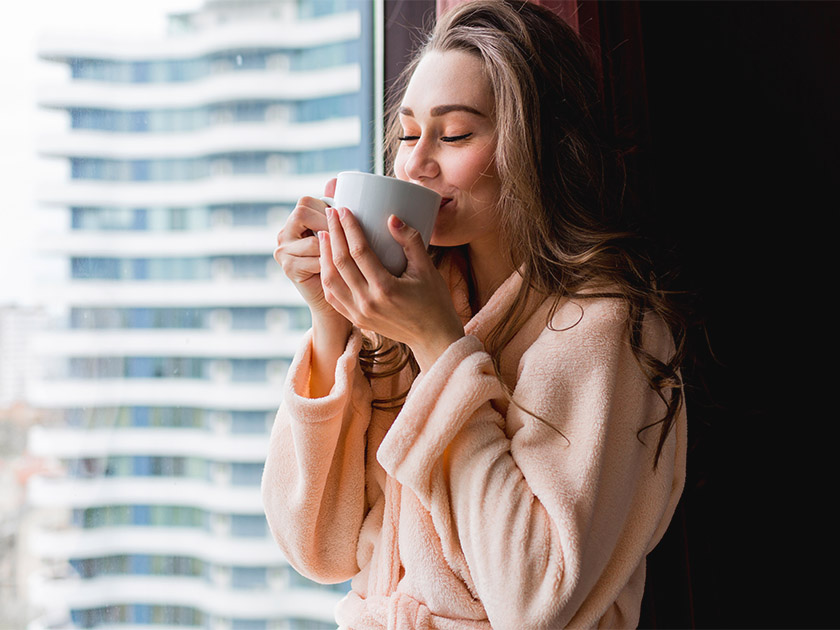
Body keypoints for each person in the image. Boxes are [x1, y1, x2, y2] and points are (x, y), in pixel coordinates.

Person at [262, 1, 688, 628]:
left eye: (454, 134)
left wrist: (440, 347)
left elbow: (532, 600)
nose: (414, 163)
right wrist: (331, 325)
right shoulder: (422, 304)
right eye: (408, 134)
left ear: (537, 145)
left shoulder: (602, 329)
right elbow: (316, 548)